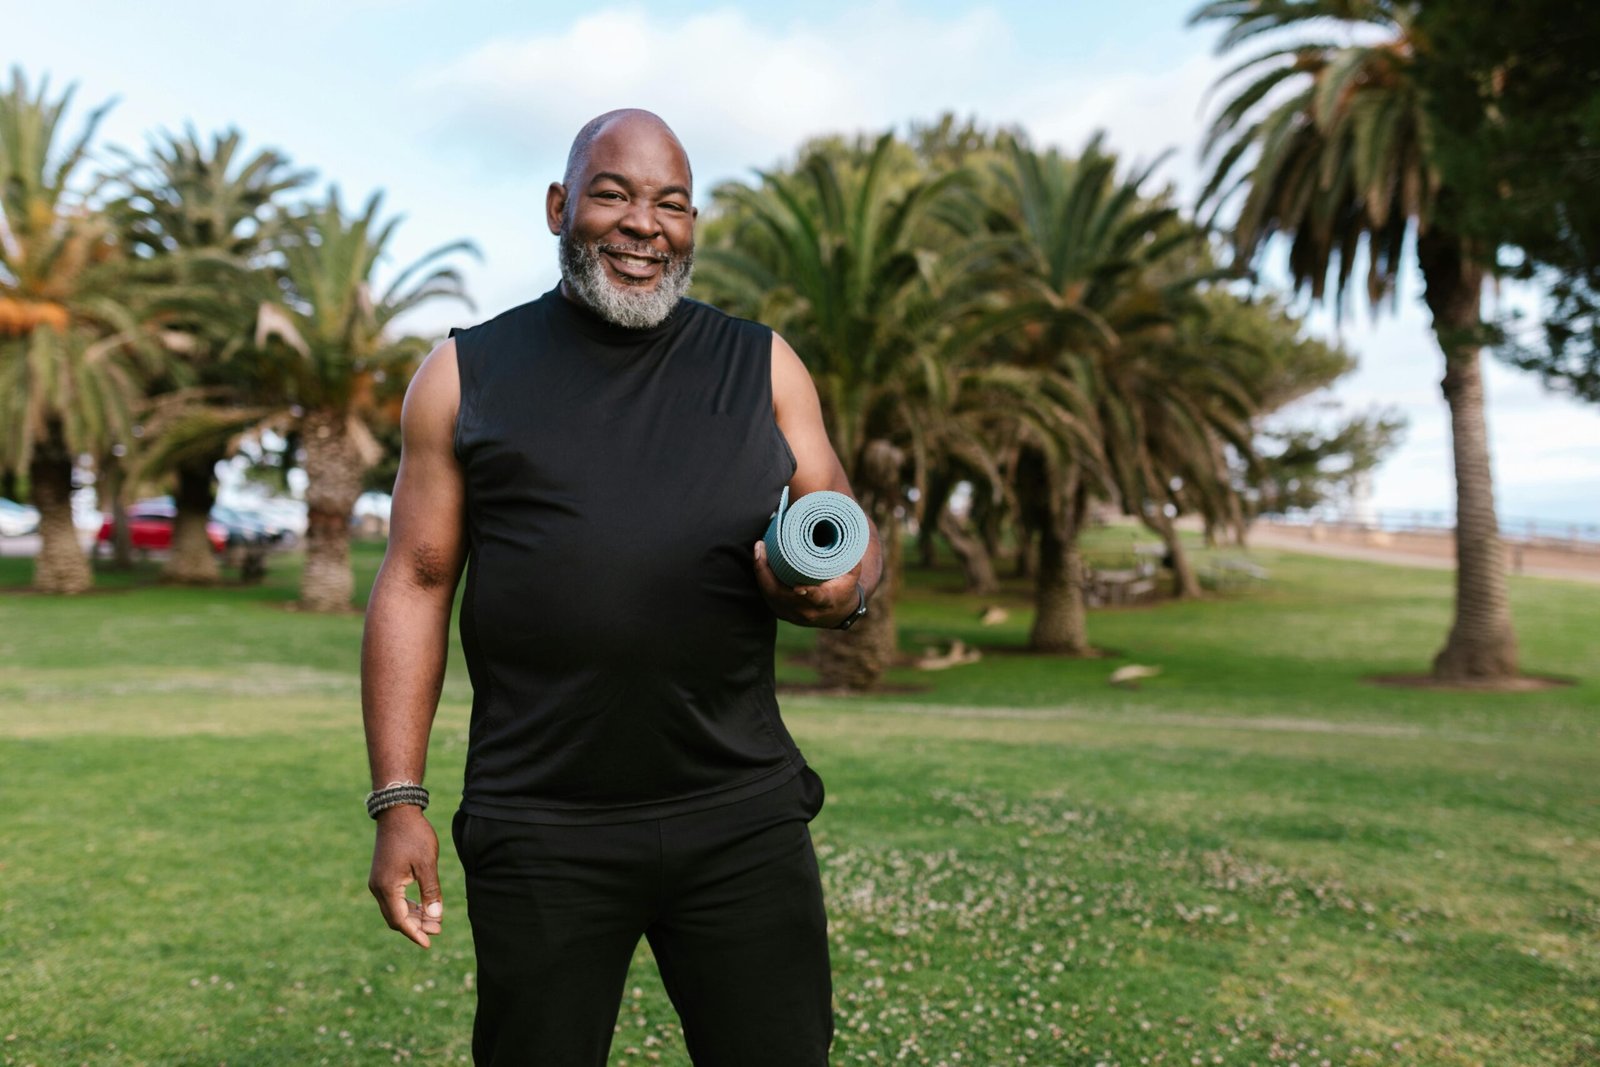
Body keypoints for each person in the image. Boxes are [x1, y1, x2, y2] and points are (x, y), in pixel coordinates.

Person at [361, 108, 883, 1067]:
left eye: (671, 203)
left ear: (692, 225)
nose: (645, 223)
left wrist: (836, 592)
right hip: (542, 822)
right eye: (613, 193)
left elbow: (842, 523)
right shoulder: (462, 373)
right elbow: (417, 581)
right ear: (560, 206)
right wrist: (399, 800)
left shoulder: (762, 363)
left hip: (739, 812)